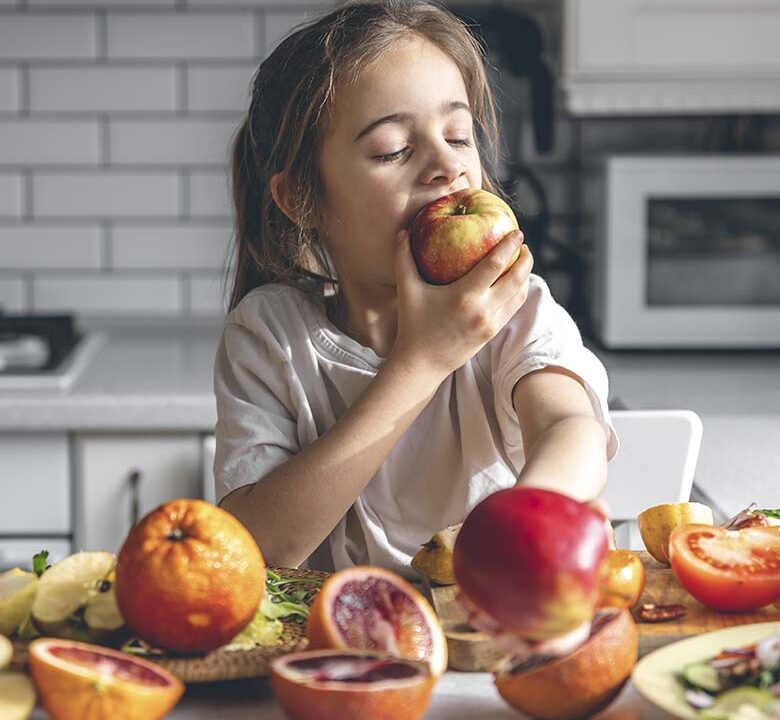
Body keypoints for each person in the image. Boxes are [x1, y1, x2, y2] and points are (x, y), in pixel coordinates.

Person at [214, 0, 618, 584]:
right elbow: (256, 549)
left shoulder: (514, 310)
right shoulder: (270, 336)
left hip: (492, 639)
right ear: (301, 197)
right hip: (342, 657)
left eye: (459, 136)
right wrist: (423, 360)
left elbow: (571, 429)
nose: (445, 166)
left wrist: (518, 529)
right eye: (393, 150)